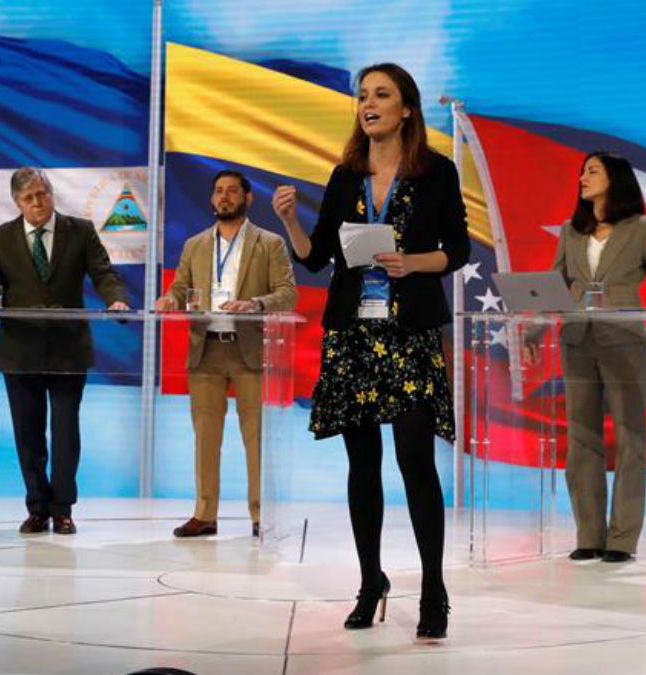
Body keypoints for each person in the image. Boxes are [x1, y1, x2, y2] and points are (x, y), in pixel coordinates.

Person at [271, 63, 469, 640]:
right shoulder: (344, 175)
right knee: (363, 465)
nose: (368, 103)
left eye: (381, 94)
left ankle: (434, 588)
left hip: (407, 333)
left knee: (414, 458)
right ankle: (370, 580)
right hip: (354, 333)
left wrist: (412, 262)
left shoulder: (436, 172)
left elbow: (455, 250)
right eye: (362, 96)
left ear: (406, 108)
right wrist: (289, 221)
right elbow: (315, 258)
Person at [529, 152, 646, 563]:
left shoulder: (642, 229)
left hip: (623, 339)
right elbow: (554, 284)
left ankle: (623, 539)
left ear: (615, 179)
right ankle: (589, 534)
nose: (581, 177)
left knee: (630, 437)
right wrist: (533, 328)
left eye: (592, 171)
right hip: (576, 339)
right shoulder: (571, 231)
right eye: (581, 172)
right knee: (582, 437)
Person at [0, 167, 130, 535]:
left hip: (67, 351)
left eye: (42, 194)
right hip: (19, 352)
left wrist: (117, 301)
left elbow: (104, 274)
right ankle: (37, 507)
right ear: (17, 202)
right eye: (28, 198)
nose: (37, 202)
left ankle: (63, 509)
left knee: (64, 433)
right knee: (28, 436)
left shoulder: (80, 230)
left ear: (51, 193)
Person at [155, 169, 297, 539]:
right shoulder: (195, 245)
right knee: (205, 437)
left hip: (251, 348)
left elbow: (287, 294)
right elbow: (180, 289)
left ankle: (258, 515)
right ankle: (204, 514)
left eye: (232, 191)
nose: (224, 197)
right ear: (211, 199)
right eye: (218, 191)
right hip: (205, 349)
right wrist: (169, 299)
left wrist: (254, 303)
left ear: (248, 199)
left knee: (255, 438)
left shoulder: (270, 243)